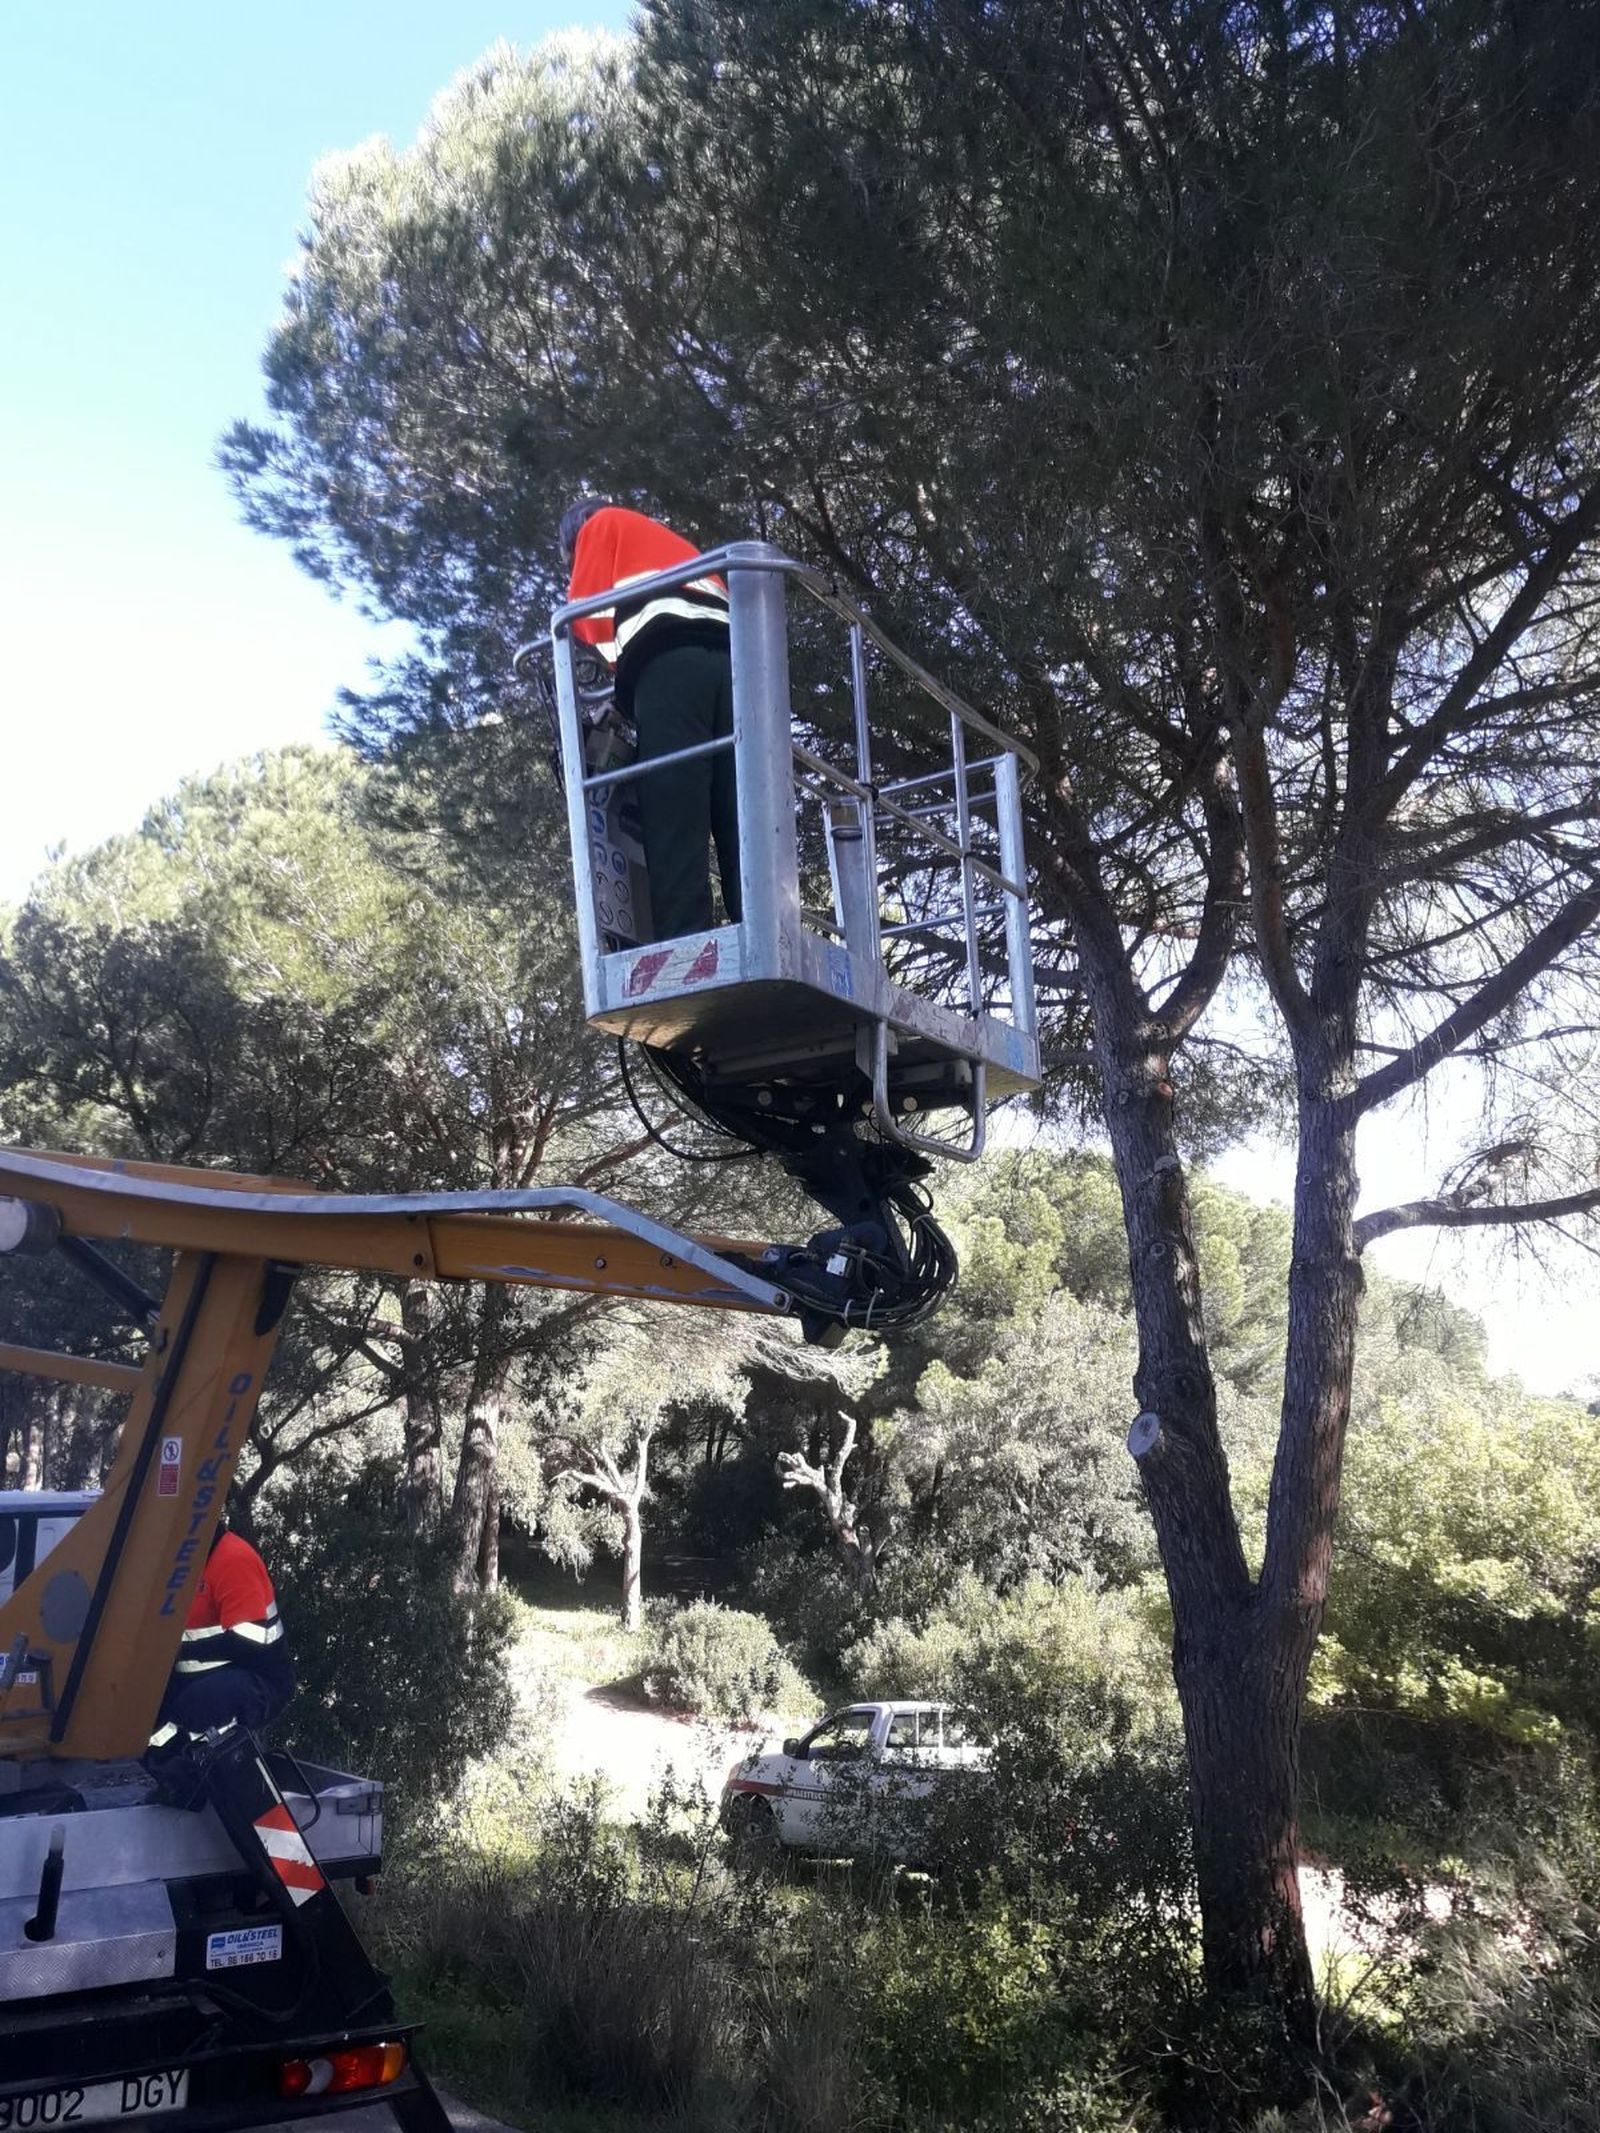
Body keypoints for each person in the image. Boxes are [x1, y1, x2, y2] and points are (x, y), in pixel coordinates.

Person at [560, 497, 741, 941]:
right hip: (736, 663)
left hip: (670, 664)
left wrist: (620, 678)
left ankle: (687, 943)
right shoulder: (668, 542)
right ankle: (760, 925)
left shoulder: (599, 524)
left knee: (673, 805)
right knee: (739, 808)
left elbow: (582, 615)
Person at [148, 1523, 295, 1757]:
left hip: (257, 1679)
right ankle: (177, 1784)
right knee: (142, 1712)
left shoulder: (232, 1560)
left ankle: (229, 1782)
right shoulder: (180, 1562)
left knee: (200, 1706)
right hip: (192, 1675)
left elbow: (250, 1641)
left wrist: (182, 1651)